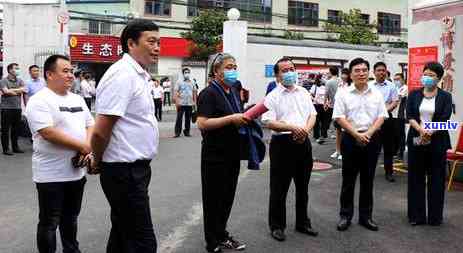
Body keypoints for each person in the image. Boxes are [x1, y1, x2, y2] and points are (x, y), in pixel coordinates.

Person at [89, 19, 160, 253]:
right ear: (131, 43)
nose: (157, 47)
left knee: (122, 234)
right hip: (123, 171)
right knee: (143, 242)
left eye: (158, 42)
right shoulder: (122, 75)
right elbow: (100, 130)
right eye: (151, 41)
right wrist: (96, 160)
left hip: (135, 169)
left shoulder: (138, 75)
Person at [25, 54, 94, 253]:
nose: (70, 75)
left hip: (76, 173)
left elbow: (90, 125)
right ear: (49, 74)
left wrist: (86, 146)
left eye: (71, 71)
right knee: (49, 221)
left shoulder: (78, 99)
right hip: (50, 175)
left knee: (71, 218)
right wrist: (82, 147)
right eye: (65, 71)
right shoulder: (39, 100)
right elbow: (47, 132)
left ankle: (72, 250)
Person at [196, 53, 248, 253]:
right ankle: (212, 241)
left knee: (227, 198)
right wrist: (232, 118)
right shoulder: (208, 93)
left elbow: (237, 114)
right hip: (214, 156)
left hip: (232, 153)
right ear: (216, 71)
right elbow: (202, 123)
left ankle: (222, 234)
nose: (232, 70)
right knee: (213, 200)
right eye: (228, 67)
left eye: (234, 66)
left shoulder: (234, 89)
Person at [262, 57, 318, 242]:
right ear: (277, 75)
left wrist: (306, 131)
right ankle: (277, 226)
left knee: (303, 187)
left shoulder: (303, 92)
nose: (289, 73)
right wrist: (293, 128)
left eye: (291, 69)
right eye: (284, 70)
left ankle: (303, 222)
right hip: (282, 144)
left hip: (303, 142)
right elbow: (269, 122)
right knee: (279, 188)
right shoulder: (272, 96)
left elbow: (312, 114)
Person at [333, 58, 388, 232]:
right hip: (350, 139)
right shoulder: (343, 93)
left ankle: (366, 217)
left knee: (368, 180)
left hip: (372, 139)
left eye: (364, 70)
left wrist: (368, 133)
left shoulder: (376, 93)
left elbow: (382, 116)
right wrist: (356, 134)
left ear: (368, 72)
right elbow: (339, 117)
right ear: (351, 73)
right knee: (348, 180)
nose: (361, 73)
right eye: (357, 70)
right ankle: (345, 216)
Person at [407, 62, 453, 226]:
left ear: (439, 78)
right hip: (416, 140)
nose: (427, 77)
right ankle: (416, 216)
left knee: (437, 179)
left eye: (431, 75)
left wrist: (430, 132)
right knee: (415, 178)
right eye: (425, 74)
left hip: (437, 141)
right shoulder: (413, 94)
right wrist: (421, 130)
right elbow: (410, 115)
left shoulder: (445, 97)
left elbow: (445, 118)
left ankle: (435, 217)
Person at [369, 62, 399, 182]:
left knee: (388, 147)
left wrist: (384, 111)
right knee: (372, 147)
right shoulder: (369, 85)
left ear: (386, 72)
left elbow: (395, 101)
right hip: (372, 119)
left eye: (383, 70)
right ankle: (369, 171)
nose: (381, 72)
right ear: (374, 72)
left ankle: (389, 172)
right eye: (379, 70)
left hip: (387, 119)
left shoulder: (391, 86)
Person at [0, 63, 26, 155]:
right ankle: (6, 149)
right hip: (6, 108)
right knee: (5, 130)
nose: (18, 70)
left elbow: (24, 89)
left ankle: (15, 147)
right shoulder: (3, 80)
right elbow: (5, 91)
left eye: (18, 68)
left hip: (17, 108)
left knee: (16, 129)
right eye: (16, 68)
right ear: (10, 70)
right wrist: (18, 90)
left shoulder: (20, 80)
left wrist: (11, 90)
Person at [330, 68, 350, 160]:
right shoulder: (340, 85)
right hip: (338, 113)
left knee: (344, 133)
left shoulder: (351, 86)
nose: (343, 76)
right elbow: (337, 99)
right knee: (338, 133)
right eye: (342, 74)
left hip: (346, 114)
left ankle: (343, 151)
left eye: (345, 74)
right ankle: (337, 150)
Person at [174, 67, 197, 137]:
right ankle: (177, 132)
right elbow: (176, 92)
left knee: (188, 119)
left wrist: (195, 102)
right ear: (183, 73)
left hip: (190, 103)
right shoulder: (179, 81)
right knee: (179, 118)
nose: (187, 74)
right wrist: (177, 102)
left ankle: (187, 132)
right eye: (185, 72)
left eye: (188, 72)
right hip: (181, 103)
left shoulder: (192, 82)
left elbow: (194, 92)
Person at [394, 73, 408, 160]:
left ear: (403, 79)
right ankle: (397, 151)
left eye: (398, 79)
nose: (396, 81)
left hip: (402, 115)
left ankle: (401, 152)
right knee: (397, 134)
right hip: (395, 114)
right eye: (395, 79)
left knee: (402, 134)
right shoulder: (396, 88)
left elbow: (399, 97)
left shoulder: (405, 88)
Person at [310, 74, 327, 144]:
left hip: (324, 105)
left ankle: (323, 135)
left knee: (324, 121)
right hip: (316, 105)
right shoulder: (315, 86)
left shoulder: (325, 86)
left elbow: (327, 95)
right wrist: (314, 99)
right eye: (322, 78)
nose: (323, 79)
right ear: (319, 79)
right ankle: (316, 135)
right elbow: (310, 94)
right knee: (316, 121)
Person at [324, 66, 340, 142]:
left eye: (328, 72)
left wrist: (325, 103)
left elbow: (326, 94)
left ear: (331, 72)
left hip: (333, 105)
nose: (328, 73)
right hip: (341, 104)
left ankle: (335, 133)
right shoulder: (341, 80)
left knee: (333, 119)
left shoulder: (329, 82)